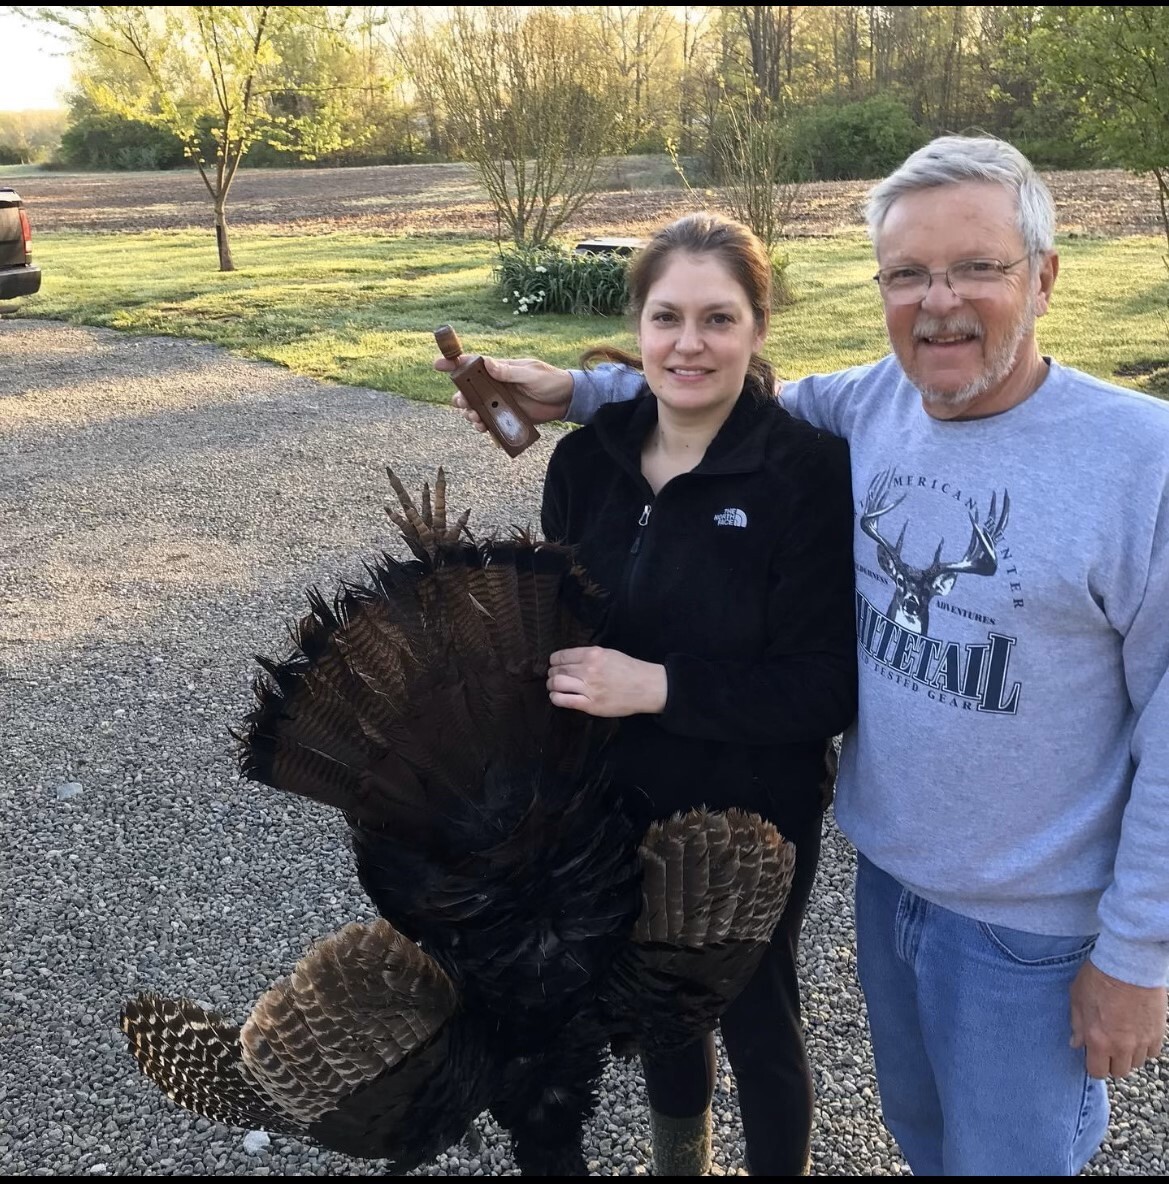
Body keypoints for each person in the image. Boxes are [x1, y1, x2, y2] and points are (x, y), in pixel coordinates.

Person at [439, 135, 1169, 1177]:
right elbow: (707, 388)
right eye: (906, 273)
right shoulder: (869, 404)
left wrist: (1136, 955)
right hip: (892, 881)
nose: (938, 303)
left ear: (1043, 276)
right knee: (926, 1142)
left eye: (975, 267)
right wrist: (573, 388)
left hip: (1028, 933)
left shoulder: (1139, 462)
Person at [531, 211, 857, 1175]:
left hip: (752, 801)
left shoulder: (804, 474)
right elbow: (558, 629)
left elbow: (823, 686)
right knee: (661, 999)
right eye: (666, 317)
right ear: (636, 328)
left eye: (718, 319)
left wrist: (655, 685)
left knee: (754, 1008)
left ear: (758, 329)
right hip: (611, 792)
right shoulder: (584, 462)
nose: (688, 344)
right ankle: (684, 1162)